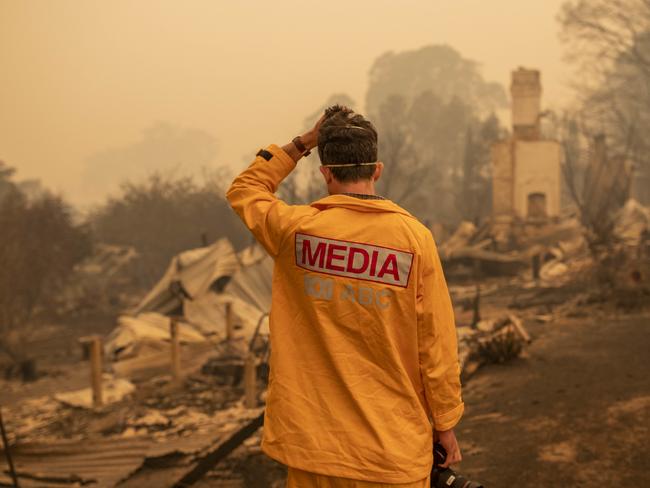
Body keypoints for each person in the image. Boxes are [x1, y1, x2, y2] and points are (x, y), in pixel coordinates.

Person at [226, 105, 463, 487]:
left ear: (326, 173)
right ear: (377, 170)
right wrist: (445, 423)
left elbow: (245, 189)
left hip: (314, 451)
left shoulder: (295, 231)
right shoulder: (414, 240)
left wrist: (304, 142)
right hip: (392, 453)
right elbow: (436, 343)